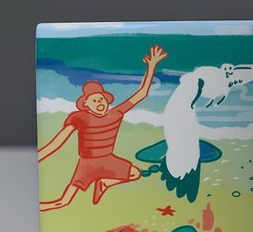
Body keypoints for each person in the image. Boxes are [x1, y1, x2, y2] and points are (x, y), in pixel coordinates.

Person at [38, 45, 168, 211]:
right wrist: (39, 156)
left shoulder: (116, 113)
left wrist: (151, 66)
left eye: (101, 99)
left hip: (108, 159)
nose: (99, 103)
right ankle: (38, 208)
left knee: (135, 173)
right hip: (87, 164)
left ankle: (104, 183)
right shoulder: (79, 118)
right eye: (94, 101)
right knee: (63, 202)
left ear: (106, 100)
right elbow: (57, 142)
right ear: (86, 104)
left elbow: (141, 94)